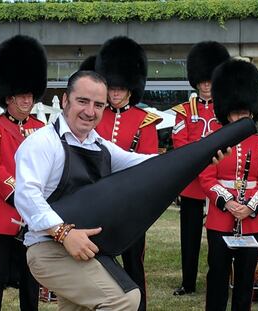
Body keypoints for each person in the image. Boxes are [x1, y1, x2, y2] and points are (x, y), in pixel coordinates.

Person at [14, 70, 231, 311]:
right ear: (65, 100)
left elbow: (147, 164)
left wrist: (200, 157)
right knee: (124, 300)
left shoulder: (98, 145)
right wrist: (64, 233)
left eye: (98, 105)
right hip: (49, 249)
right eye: (82, 101)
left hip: (86, 249)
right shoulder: (42, 143)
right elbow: (27, 196)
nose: (90, 111)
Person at [0, 35, 46, 311]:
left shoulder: (41, 128)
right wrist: (20, 195)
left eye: (30, 95)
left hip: (34, 218)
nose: (27, 101)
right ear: (8, 96)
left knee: (31, 279)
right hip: (4, 215)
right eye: (21, 96)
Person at [200, 58, 258, 311]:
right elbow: (206, 177)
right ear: (226, 112)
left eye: (244, 112)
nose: (239, 117)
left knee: (245, 280)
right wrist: (229, 202)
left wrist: (249, 207)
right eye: (235, 112)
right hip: (220, 218)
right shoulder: (214, 141)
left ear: (252, 112)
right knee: (218, 276)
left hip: (252, 220)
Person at [94, 36, 161, 311]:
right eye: (112, 87)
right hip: (99, 199)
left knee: (134, 261)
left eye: (121, 88)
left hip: (130, 203)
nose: (115, 93)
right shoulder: (95, 115)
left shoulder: (144, 122)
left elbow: (147, 166)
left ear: (131, 88)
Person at [171, 41, 230, 296]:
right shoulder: (185, 111)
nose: (206, 85)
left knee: (220, 235)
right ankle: (188, 282)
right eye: (202, 81)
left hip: (220, 181)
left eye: (210, 80)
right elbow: (180, 143)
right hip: (193, 184)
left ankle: (218, 279)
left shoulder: (227, 110)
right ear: (196, 81)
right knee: (190, 236)